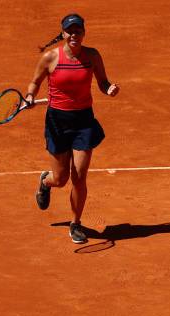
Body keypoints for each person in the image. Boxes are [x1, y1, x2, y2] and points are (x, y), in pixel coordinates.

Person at [24, 13, 119, 243]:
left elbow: (103, 81)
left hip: (84, 122)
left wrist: (109, 89)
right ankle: (45, 181)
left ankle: (75, 223)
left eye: (78, 31)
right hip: (58, 122)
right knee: (61, 178)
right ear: (63, 33)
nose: (74, 35)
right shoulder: (50, 58)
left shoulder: (92, 56)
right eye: (70, 31)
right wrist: (29, 96)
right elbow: (35, 82)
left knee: (79, 176)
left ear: (84, 33)